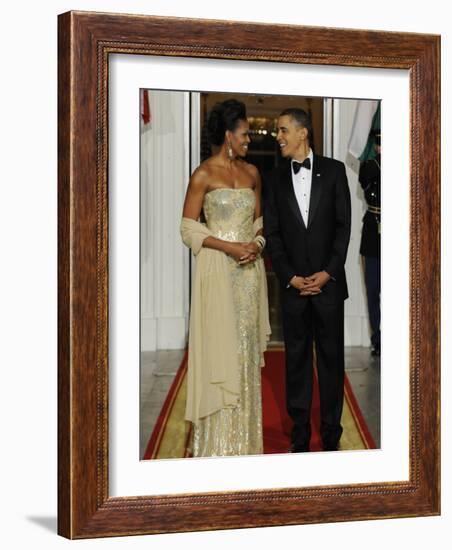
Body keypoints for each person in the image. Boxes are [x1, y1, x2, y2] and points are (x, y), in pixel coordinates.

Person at [180, 99, 271, 457]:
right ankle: (216, 445)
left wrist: (257, 244)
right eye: (245, 134)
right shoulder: (203, 174)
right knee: (220, 348)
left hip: (249, 276)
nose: (250, 140)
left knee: (245, 349)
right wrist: (229, 248)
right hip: (218, 273)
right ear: (228, 135)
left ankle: (245, 443)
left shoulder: (252, 174)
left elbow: (260, 223)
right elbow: (188, 228)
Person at [263, 108, 351, 452]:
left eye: (283, 130)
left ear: (303, 133)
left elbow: (343, 227)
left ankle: (331, 433)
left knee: (331, 362)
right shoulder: (274, 178)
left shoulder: (334, 171)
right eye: (278, 130)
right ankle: (300, 431)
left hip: (329, 286)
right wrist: (290, 277)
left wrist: (328, 272)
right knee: (296, 362)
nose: (279, 136)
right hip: (294, 289)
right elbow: (273, 234)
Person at [359, 129, 381, 356]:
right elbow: (365, 177)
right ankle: (378, 338)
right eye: (379, 144)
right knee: (373, 289)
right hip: (373, 231)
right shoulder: (371, 166)